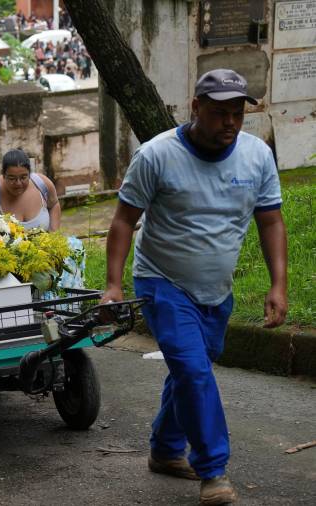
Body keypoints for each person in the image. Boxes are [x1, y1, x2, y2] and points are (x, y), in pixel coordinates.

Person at [102, 70, 287, 506]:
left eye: (238, 113)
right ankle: (214, 471)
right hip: (162, 282)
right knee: (193, 370)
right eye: (220, 112)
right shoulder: (156, 156)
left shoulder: (257, 156)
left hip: (216, 291)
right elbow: (124, 221)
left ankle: (166, 450)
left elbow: (271, 221)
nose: (230, 123)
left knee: (191, 370)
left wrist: (279, 285)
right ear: (195, 107)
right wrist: (113, 285)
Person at [0, 149, 60, 230]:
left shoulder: (42, 184)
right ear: (3, 175)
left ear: (30, 174)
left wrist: (53, 232)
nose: (18, 183)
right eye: (12, 178)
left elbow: (54, 204)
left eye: (23, 177)